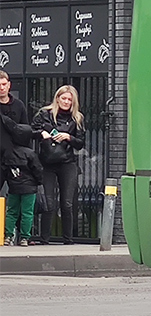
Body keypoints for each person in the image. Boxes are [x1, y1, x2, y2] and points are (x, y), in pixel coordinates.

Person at [32, 85, 87, 244]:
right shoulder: (44, 114)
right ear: (57, 98)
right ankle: (44, 240)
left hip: (67, 162)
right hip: (47, 162)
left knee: (67, 203)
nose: (66, 102)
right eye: (64, 98)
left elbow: (80, 143)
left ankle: (68, 240)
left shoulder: (77, 118)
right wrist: (42, 133)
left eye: (70, 99)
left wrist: (68, 137)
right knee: (49, 203)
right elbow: (30, 131)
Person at [1, 70, 39, 246]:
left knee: (17, 199)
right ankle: (7, 235)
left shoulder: (19, 105)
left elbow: (25, 131)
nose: (1, 88)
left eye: (3, 84)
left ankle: (20, 236)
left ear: (9, 85)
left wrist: (25, 155)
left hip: (15, 159)